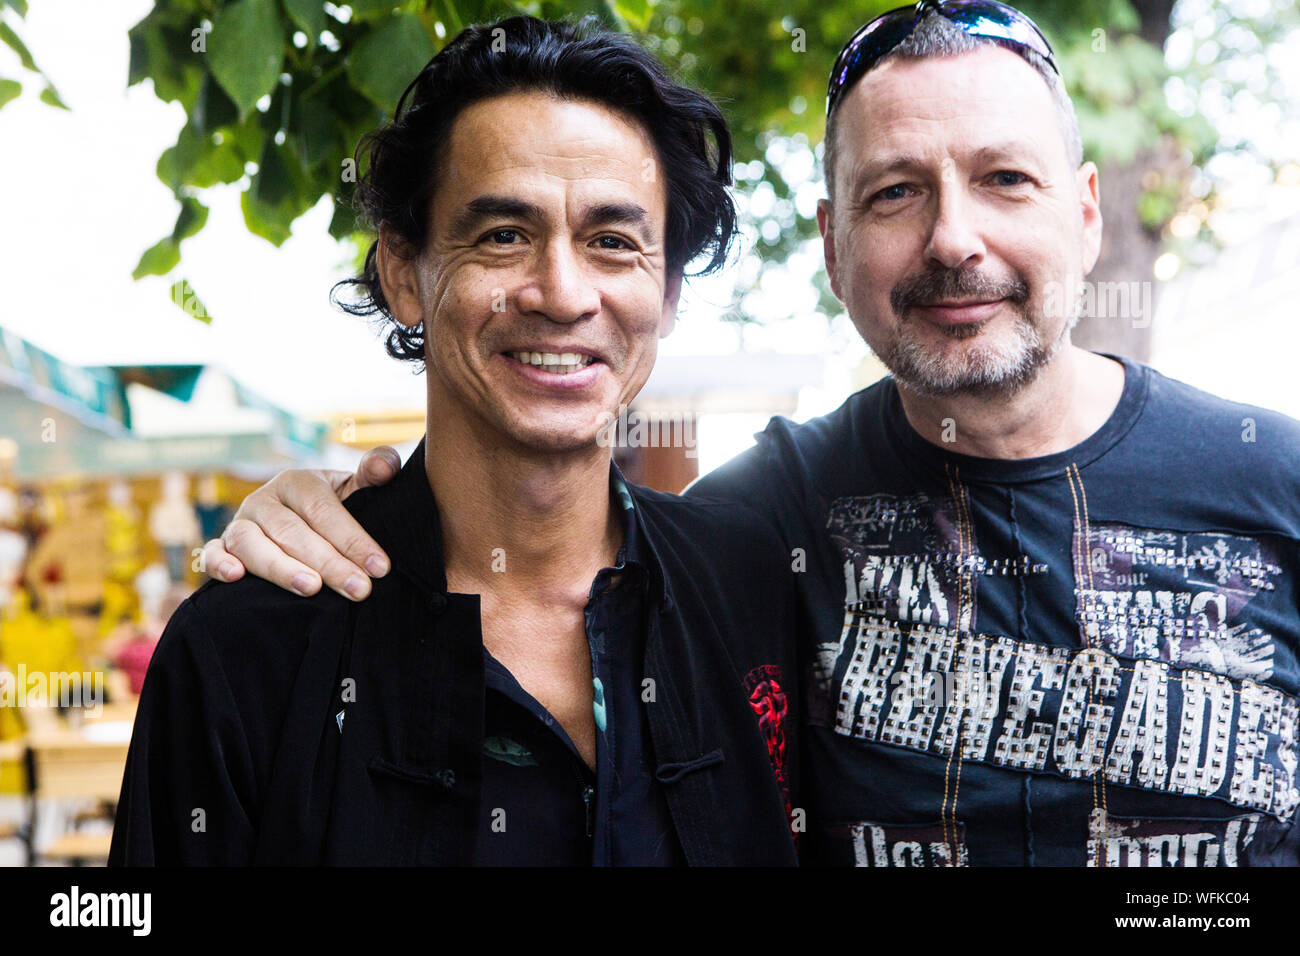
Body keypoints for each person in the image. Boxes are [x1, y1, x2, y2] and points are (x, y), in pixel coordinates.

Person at [206, 1, 1300, 867]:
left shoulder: (1277, 482)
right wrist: (296, 510)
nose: (953, 239)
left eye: (1005, 179)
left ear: (1087, 209)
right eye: (894, 193)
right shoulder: (755, 529)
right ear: (832, 244)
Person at [110, 16, 800, 866]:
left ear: (666, 294)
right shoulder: (246, 649)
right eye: (504, 235)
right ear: (404, 272)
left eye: (612, 242)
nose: (561, 292)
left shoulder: (752, 588)